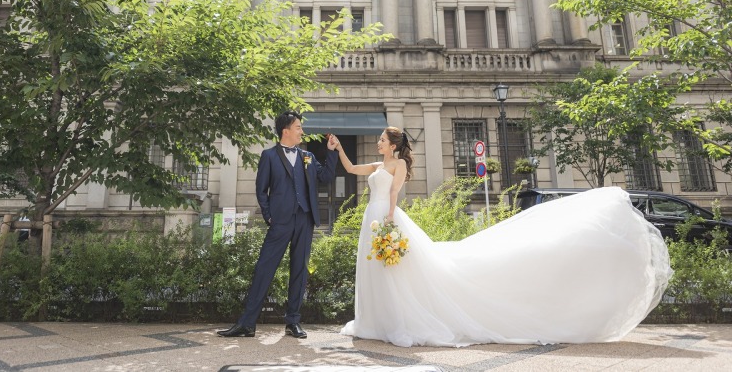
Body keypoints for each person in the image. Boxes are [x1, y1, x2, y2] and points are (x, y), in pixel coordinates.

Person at [328, 127, 673, 348]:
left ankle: (395, 322)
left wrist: (390, 221)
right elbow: (351, 169)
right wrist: (339, 147)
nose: (378, 143)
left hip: (386, 218)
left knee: (396, 270)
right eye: (379, 140)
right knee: (377, 270)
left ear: (392, 145)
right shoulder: (377, 165)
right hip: (372, 217)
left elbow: (394, 194)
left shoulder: (397, 166)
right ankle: (375, 322)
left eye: (382, 140)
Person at [218, 111, 339, 339]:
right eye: (298, 127)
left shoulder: (307, 156)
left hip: (304, 219)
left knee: (299, 270)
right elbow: (261, 190)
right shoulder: (269, 156)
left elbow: (325, 177)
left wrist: (331, 152)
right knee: (264, 268)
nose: (302, 131)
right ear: (286, 131)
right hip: (280, 221)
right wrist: (269, 216)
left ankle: (293, 322)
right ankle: (247, 324)